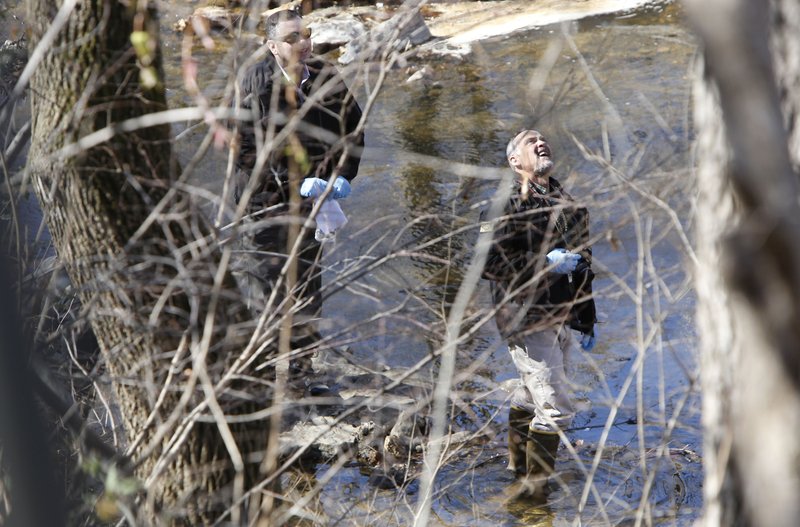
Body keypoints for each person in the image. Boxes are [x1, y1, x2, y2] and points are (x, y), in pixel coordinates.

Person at [231, 8, 364, 382]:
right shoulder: (254, 82)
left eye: (304, 35)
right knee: (267, 296)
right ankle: (261, 380)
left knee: (307, 290)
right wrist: (292, 187)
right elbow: (243, 151)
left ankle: (301, 376)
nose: (302, 44)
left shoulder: (326, 76)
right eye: (291, 39)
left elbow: (353, 131)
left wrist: (342, 176)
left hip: (313, 204)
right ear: (272, 45)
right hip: (263, 207)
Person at [481, 129, 597, 499]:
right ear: (515, 161)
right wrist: (544, 265)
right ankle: (533, 498)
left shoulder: (569, 203)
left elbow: (584, 265)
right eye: (531, 141)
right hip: (525, 315)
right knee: (557, 410)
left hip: (562, 313)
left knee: (532, 395)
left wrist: (586, 317)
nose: (541, 142)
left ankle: (516, 470)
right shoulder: (505, 203)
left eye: (544, 139)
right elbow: (490, 262)